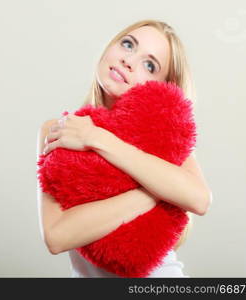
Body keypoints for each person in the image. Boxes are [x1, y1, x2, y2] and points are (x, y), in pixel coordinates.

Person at [36, 19, 212, 277]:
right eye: (128, 44)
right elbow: (57, 237)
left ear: (160, 87)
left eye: (149, 65)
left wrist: (95, 137)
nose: (128, 61)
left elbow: (199, 199)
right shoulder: (59, 129)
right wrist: (159, 192)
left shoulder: (166, 140)